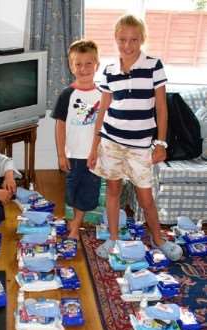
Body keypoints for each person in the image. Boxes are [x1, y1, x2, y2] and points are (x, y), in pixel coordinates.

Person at [87, 14, 182, 261]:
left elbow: (161, 108)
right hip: (111, 142)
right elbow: (103, 110)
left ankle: (159, 239)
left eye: (133, 40)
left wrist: (161, 143)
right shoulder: (109, 71)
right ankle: (114, 238)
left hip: (140, 146)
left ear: (142, 40)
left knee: (146, 198)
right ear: (115, 39)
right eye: (122, 40)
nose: (127, 45)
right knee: (113, 191)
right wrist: (94, 146)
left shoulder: (153, 66)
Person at [51, 39, 102, 239]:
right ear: (71, 67)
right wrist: (61, 154)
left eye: (88, 63)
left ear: (97, 65)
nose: (83, 68)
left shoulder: (103, 95)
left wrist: (98, 151)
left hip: (94, 155)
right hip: (73, 155)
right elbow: (60, 125)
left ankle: (76, 225)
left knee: (89, 192)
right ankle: (74, 219)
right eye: (78, 64)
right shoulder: (67, 95)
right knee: (72, 192)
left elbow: (105, 126)